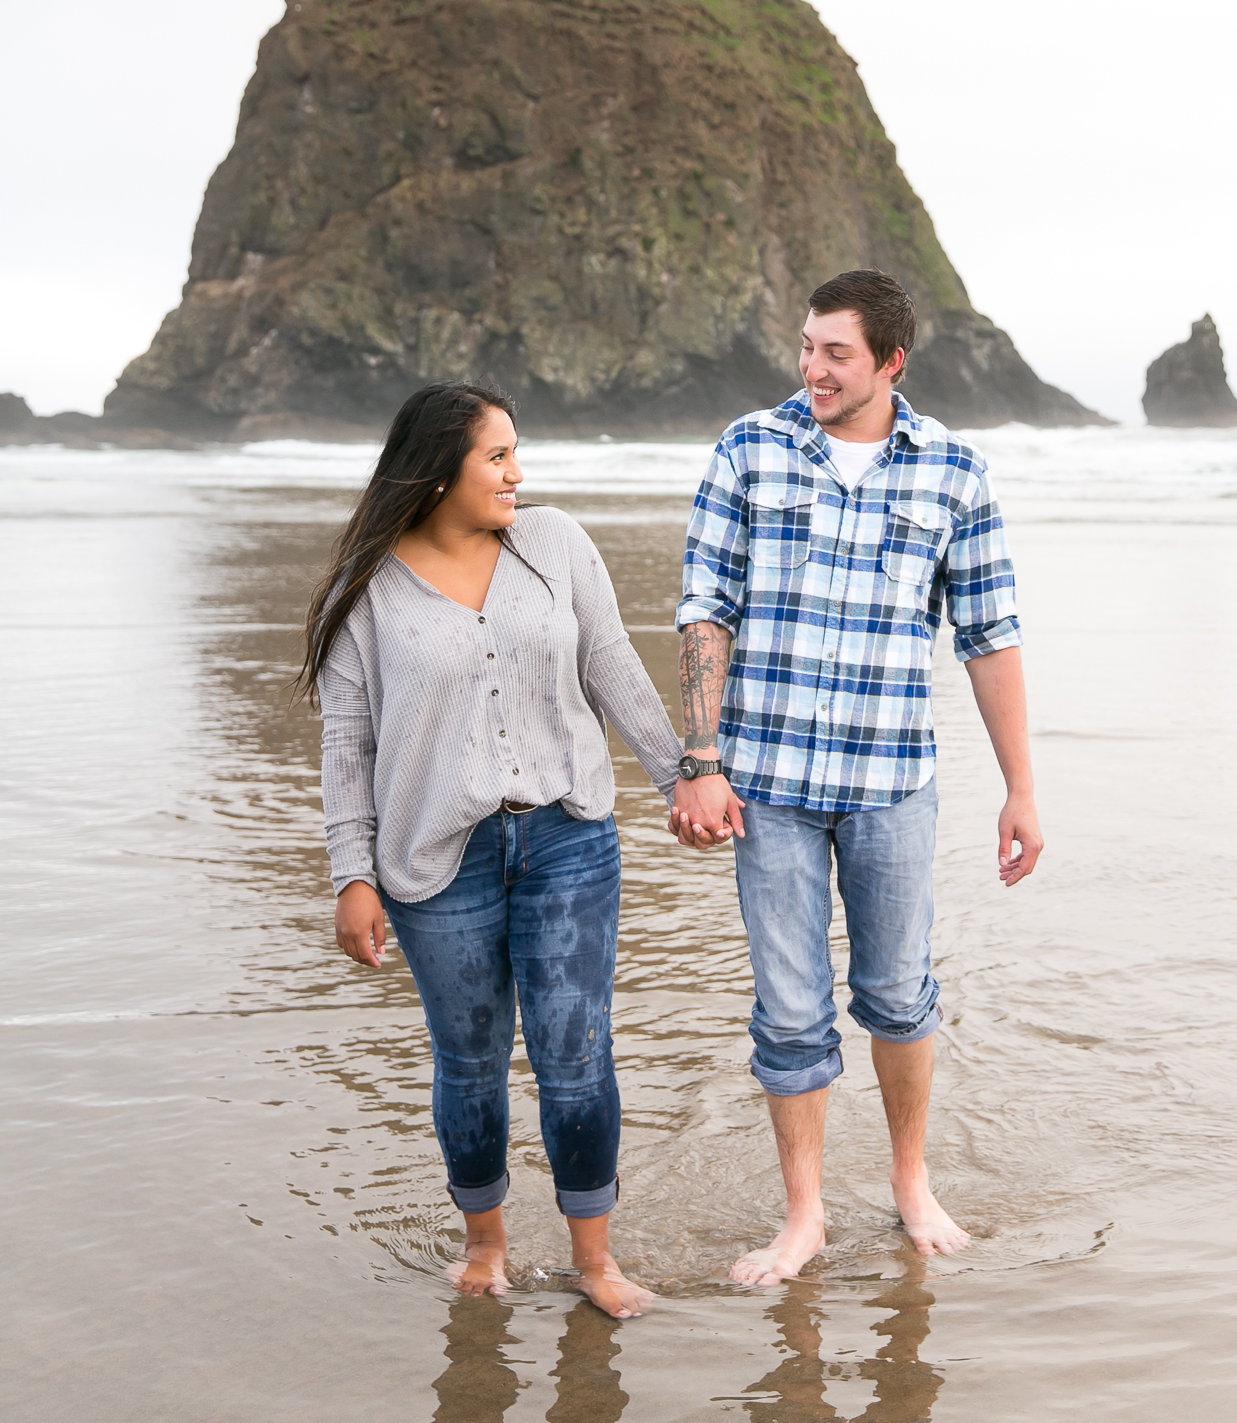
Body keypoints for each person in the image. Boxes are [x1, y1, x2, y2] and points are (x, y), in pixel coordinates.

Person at [670, 268, 1043, 1280]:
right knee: (789, 1008)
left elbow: (989, 635)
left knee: (898, 993)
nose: (812, 366)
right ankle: (803, 1216)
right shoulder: (749, 448)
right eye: (806, 346)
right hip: (770, 783)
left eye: (835, 351)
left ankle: (909, 1183)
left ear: (890, 360)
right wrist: (698, 759)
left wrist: (1019, 785)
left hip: (891, 779)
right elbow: (705, 607)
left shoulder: (953, 471)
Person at [299, 381, 682, 1319]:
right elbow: (347, 750)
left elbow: (612, 665)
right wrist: (353, 875)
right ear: (437, 472)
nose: (518, 472)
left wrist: (685, 776)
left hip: (567, 835)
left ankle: (595, 1260)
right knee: (468, 1060)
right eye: (496, 457)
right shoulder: (367, 593)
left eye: (517, 451)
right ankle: (485, 1246)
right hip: (437, 859)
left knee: (573, 1050)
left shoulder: (553, 544)